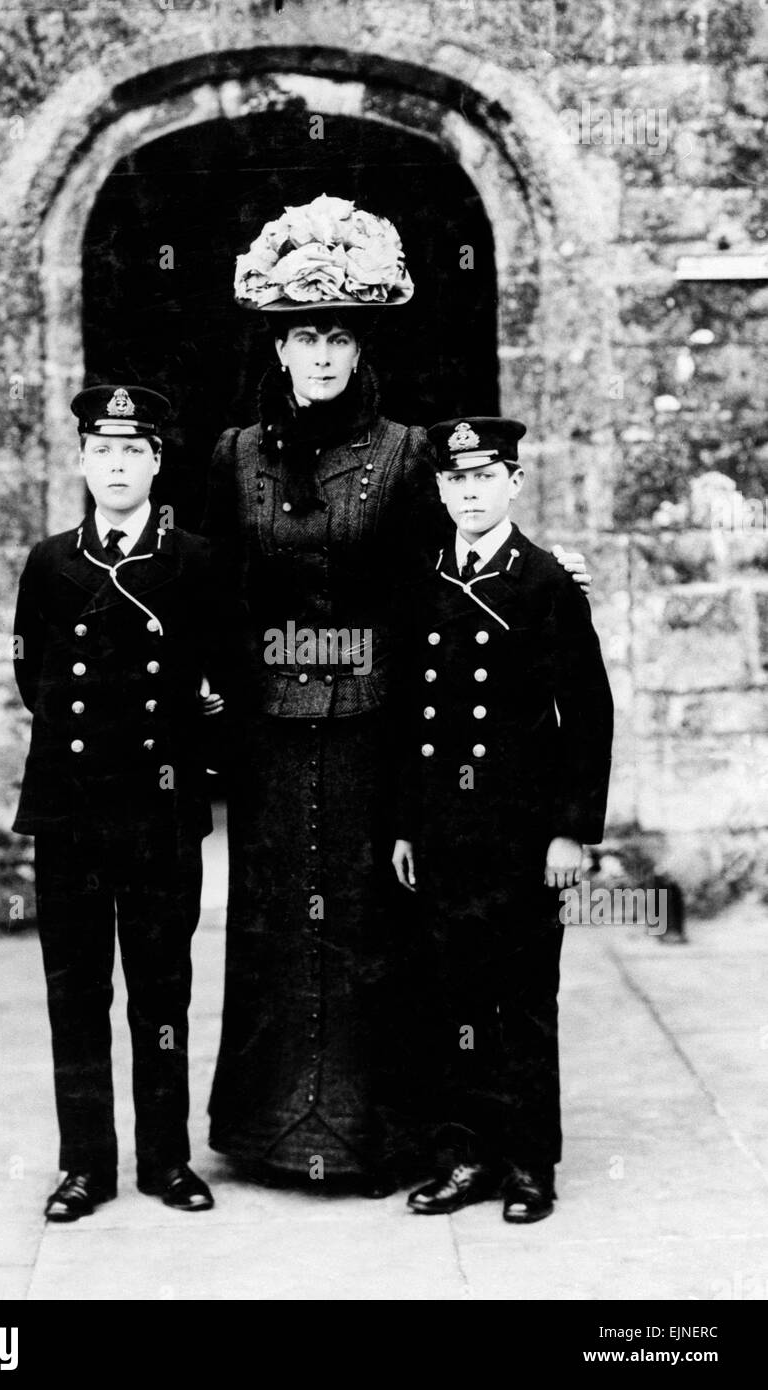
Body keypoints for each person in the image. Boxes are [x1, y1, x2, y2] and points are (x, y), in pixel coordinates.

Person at [202, 196, 593, 1193]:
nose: (320, 354)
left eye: (336, 334)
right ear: (279, 349)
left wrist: (547, 581)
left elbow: (451, 579)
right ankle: (269, 1126)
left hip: (380, 729)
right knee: (276, 922)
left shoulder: (410, 452)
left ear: (358, 346)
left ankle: (398, 1129)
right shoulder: (235, 455)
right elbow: (215, 591)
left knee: (380, 930)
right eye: (302, 336)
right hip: (272, 738)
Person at [12, 384, 228, 1221]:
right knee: (74, 994)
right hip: (68, 810)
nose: (116, 466)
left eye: (132, 452)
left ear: (155, 463)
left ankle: (166, 1162)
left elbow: (217, 681)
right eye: (102, 451)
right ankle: (83, 1167)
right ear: (81, 462)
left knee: (160, 991)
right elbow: (33, 675)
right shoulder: (49, 561)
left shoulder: (194, 560)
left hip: (158, 810)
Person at [392, 416, 614, 1221]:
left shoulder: (545, 581)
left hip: (521, 837)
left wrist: (570, 830)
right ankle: (466, 1155)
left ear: (514, 482)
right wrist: (408, 827)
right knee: (453, 1000)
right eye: (456, 480)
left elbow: (585, 712)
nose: (470, 491)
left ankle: (528, 1165)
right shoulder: (425, 581)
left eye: (485, 477)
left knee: (521, 1003)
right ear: (441, 490)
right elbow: (412, 725)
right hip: (445, 836)